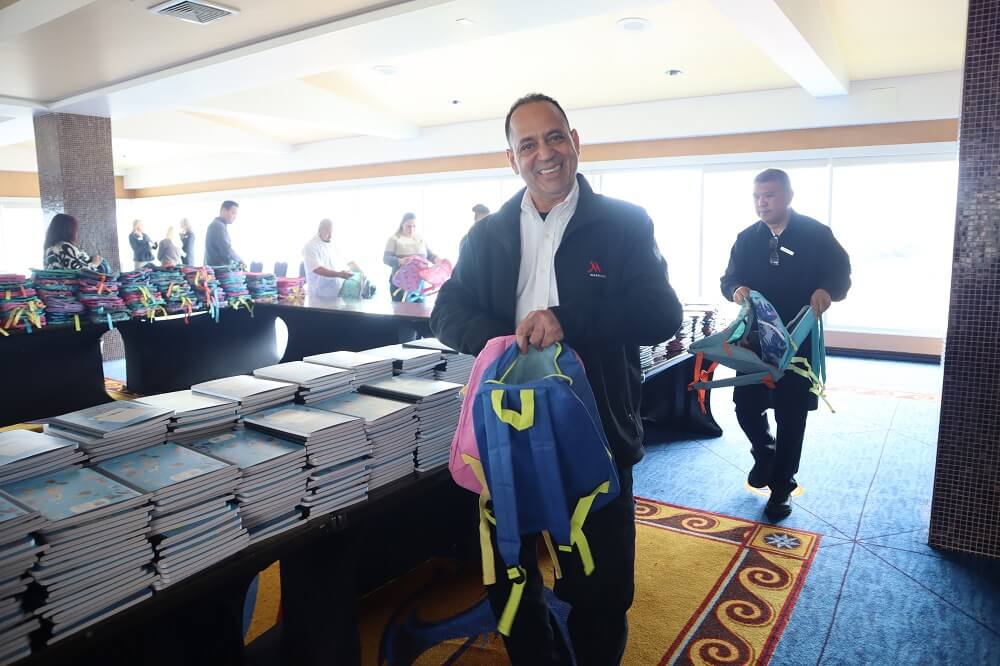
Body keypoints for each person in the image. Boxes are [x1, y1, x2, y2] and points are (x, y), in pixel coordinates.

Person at [431, 93, 682, 665]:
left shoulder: (624, 224)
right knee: (511, 581)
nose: (544, 153)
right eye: (528, 144)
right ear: (512, 158)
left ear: (575, 141)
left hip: (595, 428)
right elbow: (445, 313)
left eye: (555, 137)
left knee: (602, 585)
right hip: (505, 433)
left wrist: (565, 323)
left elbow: (661, 314)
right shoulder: (486, 235)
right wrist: (503, 338)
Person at [720, 168, 851, 521]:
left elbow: (841, 275)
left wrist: (827, 290)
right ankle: (765, 452)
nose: (762, 203)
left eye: (769, 196)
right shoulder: (747, 238)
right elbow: (729, 278)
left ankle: (781, 488)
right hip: (755, 340)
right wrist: (736, 290)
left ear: (788, 196)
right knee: (746, 407)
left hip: (798, 342)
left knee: (790, 416)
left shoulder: (816, 234)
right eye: (757, 197)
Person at [383, 213, 439, 301]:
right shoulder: (394, 239)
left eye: (414, 226)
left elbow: (430, 255)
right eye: (408, 226)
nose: (411, 229)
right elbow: (386, 259)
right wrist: (400, 261)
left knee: (420, 313)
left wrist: (438, 260)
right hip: (400, 285)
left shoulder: (420, 238)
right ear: (402, 225)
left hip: (419, 285)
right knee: (401, 313)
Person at [302, 219, 361, 299]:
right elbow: (317, 269)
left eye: (331, 232)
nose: (330, 236)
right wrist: (339, 274)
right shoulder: (310, 246)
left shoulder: (334, 243)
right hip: (319, 294)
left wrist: (361, 273)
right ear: (320, 230)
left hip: (338, 292)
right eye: (327, 233)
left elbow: (348, 261)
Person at [205, 200, 243, 268]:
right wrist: (241, 261)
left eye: (236, 214)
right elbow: (226, 250)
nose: (235, 217)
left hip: (216, 270)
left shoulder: (217, 224)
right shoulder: (218, 226)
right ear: (224, 211)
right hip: (218, 273)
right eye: (233, 213)